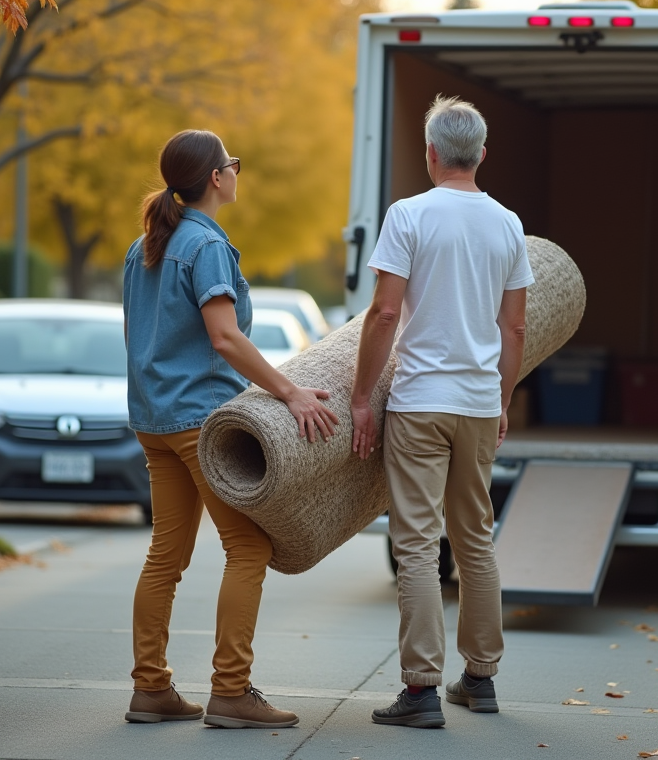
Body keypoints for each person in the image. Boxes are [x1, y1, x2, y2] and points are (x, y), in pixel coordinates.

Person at [122, 129, 339, 729]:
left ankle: (150, 688)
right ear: (216, 178)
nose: (236, 173)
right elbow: (224, 337)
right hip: (199, 423)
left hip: (153, 421)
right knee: (248, 547)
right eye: (232, 165)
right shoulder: (205, 245)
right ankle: (231, 691)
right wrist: (290, 392)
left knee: (166, 555)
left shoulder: (145, 247)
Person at [350, 96, 533, 728]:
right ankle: (480, 679)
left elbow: (383, 313)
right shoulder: (508, 224)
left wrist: (360, 398)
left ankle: (422, 690)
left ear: (431, 154)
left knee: (419, 545)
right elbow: (514, 327)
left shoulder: (409, 215)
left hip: (421, 401)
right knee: (475, 538)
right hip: (479, 402)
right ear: (481, 154)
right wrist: (502, 400)